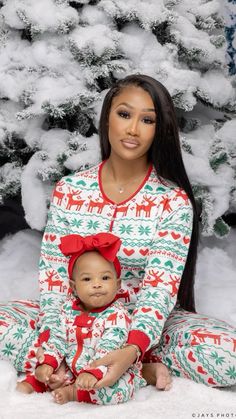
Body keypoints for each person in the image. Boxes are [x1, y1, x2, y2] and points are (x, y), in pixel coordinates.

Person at [0, 74, 236, 392]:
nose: (133, 129)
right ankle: (103, 367)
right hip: (73, 320)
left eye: (147, 120)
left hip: (145, 324)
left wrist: (134, 346)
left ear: (159, 129)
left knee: (228, 355)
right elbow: (55, 282)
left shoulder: (172, 200)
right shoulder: (70, 190)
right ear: (108, 115)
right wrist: (53, 341)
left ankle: (126, 363)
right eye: (124, 114)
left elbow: (159, 291)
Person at [16, 232, 146, 405]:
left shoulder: (118, 316)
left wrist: (93, 372)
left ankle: (74, 393)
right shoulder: (67, 310)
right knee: (47, 369)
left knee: (118, 390)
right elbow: (58, 338)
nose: (97, 284)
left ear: (117, 283)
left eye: (105, 277)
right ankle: (40, 382)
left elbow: (108, 349)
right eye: (87, 279)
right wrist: (49, 362)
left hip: (106, 369)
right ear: (73, 286)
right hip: (73, 367)